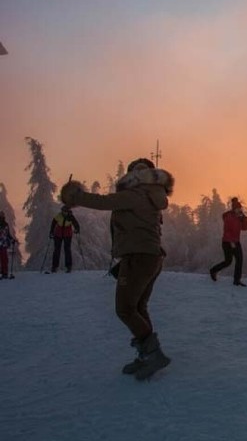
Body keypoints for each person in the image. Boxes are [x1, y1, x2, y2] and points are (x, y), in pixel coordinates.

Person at [60, 158, 173, 380]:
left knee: (125, 309)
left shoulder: (136, 194)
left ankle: (153, 354)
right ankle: (146, 356)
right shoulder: (152, 195)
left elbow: (104, 202)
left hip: (138, 258)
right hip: (150, 257)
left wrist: (76, 197)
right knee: (138, 307)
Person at [210, 197, 247, 286]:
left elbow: (244, 228)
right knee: (238, 260)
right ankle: (236, 280)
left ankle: (213, 271)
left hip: (232, 242)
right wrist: (232, 243)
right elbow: (228, 230)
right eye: (238, 209)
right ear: (234, 208)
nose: (239, 210)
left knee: (229, 261)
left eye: (240, 209)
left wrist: (244, 218)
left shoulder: (238, 217)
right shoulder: (229, 217)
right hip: (230, 242)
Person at [49, 206, 80, 273]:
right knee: (57, 250)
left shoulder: (71, 217)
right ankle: (54, 267)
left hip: (67, 234)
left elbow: (76, 223)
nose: (63, 212)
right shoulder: (59, 215)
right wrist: (51, 232)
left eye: (65, 211)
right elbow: (53, 223)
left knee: (67, 250)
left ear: (68, 211)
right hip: (58, 234)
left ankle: (68, 267)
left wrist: (77, 229)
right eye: (63, 211)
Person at [0, 211, 18, 279]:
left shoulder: (6, 224)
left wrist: (12, 240)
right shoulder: (5, 224)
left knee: (4, 259)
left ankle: (4, 272)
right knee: (3, 259)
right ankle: (3, 272)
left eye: (2, 215)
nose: (2, 216)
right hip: (3, 244)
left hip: (4, 244)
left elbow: (8, 234)